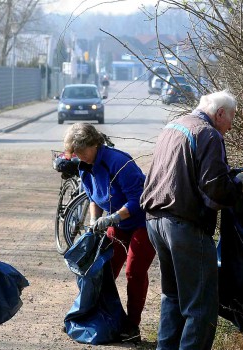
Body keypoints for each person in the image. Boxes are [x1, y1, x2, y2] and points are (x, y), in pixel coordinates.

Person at [140, 90, 243, 350]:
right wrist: (239, 187)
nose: (231, 126)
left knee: (173, 297)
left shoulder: (173, 126)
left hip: (154, 222)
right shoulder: (208, 133)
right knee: (201, 307)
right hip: (183, 225)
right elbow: (215, 187)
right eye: (231, 118)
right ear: (220, 113)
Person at [63, 123, 156, 343]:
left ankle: (132, 326)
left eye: (82, 151)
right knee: (101, 269)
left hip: (144, 222)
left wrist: (113, 218)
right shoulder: (85, 166)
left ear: (94, 144)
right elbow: (94, 197)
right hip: (118, 222)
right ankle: (93, 316)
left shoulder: (119, 162)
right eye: (75, 152)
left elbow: (139, 200)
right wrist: (95, 219)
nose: (79, 155)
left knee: (134, 272)